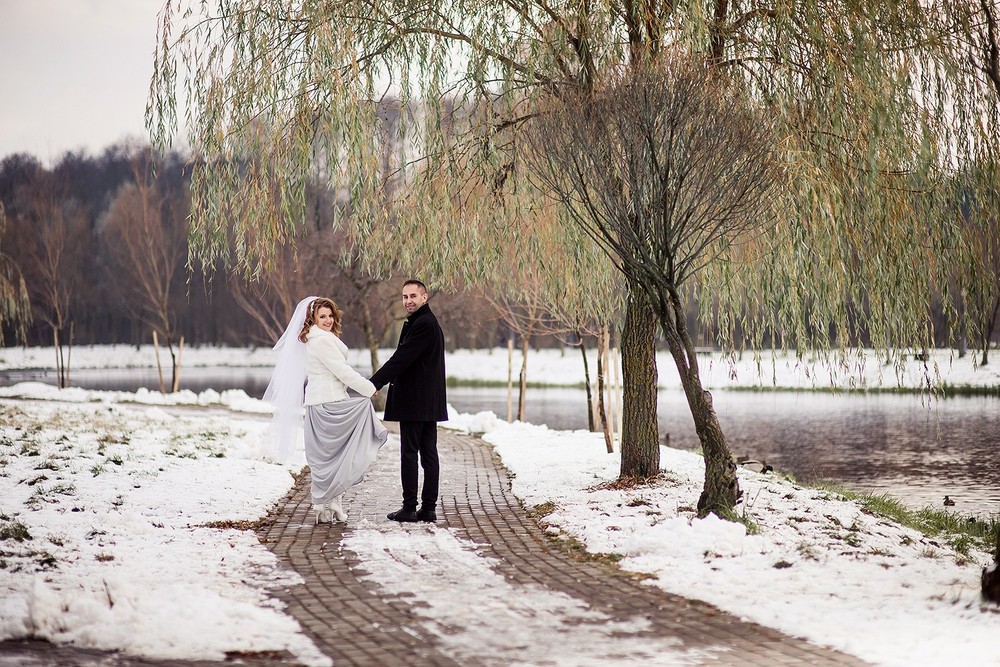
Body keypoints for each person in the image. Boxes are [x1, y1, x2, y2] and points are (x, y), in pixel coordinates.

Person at [264, 296, 388, 524]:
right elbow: (342, 371)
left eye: (331, 316)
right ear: (313, 318)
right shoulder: (320, 341)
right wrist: (369, 388)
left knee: (328, 457)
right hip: (329, 404)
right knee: (338, 454)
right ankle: (329, 502)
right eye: (323, 316)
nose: (328, 320)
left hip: (319, 404)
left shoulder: (316, 339)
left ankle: (325, 503)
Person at [370, 279, 448, 523]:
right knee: (427, 454)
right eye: (405, 297)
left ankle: (410, 508)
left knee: (411, 454)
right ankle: (428, 508)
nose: (408, 301)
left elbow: (402, 358)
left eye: (413, 296)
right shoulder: (424, 322)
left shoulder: (423, 324)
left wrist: (375, 382)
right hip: (426, 401)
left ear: (424, 297)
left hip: (416, 401)